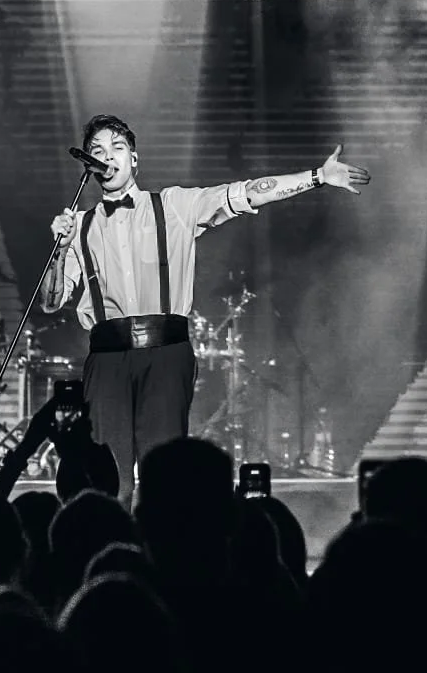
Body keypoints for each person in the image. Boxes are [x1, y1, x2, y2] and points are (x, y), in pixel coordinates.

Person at [44, 112, 370, 500]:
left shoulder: (174, 206)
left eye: (117, 148)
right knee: (110, 480)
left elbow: (247, 193)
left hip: (166, 353)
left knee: (163, 473)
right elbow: (51, 301)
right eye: (98, 150)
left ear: (134, 159)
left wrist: (317, 176)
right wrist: (60, 250)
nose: (108, 156)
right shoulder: (79, 227)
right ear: (89, 163)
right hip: (107, 358)